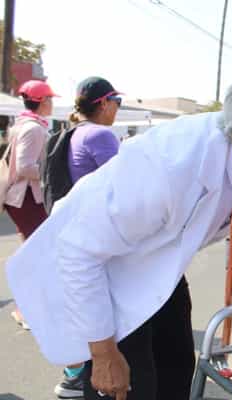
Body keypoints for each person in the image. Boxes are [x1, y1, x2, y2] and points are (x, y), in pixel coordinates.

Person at [5, 65, 232, 400]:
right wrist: (102, 353)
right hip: (106, 282)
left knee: (175, 379)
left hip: (161, 275)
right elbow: (79, 252)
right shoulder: (168, 170)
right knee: (129, 388)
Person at [54, 77, 123, 399]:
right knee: (104, 312)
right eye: (117, 102)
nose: (118, 110)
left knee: (78, 306)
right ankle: (85, 377)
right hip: (98, 237)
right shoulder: (99, 134)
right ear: (104, 103)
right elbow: (126, 184)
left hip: (69, 233)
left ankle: (72, 374)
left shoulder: (70, 134)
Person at [4, 80, 58, 330]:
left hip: (24, 198)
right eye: (50, 99)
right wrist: (50, 172)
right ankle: (25, 309)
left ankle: (29, 307)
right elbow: (25, 166)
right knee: (36, 254)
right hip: (25, 198)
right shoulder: (33, 128)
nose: (52, 103)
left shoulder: (24, 124)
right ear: (42, 101)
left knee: (34, 253)